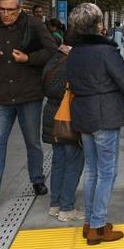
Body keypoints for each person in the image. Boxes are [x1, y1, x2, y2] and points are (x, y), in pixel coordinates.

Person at [0, 0, 57, 211]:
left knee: (32, 142)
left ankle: (37, 179)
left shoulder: (34, 25)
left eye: (11, 10)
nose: (6, 14)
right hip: (0, 95)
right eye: (2, 9)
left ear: (20, 9)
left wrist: (29, 58)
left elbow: (52, 51)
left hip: (29, 94)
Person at [65, 3, 124, 245]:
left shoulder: (74, 52)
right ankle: (98, 226)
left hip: (83, 116)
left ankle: (89, 223)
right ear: (98, 26)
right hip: (105, 117)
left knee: (92, 171)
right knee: (107, 172)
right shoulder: (106, 52)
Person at [41, 39, 84, 222]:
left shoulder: (54, 59)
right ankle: (67, 208)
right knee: (73, 162)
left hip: (52, 116)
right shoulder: (72, 62)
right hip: (67, 117)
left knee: (58, 162)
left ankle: (55, 204)